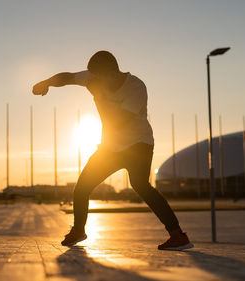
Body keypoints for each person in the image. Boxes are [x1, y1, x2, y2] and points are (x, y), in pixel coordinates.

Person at [32, 50, 193, 251]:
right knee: (82, 187)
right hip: (110, 147)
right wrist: (46, 82)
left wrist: (98, 95)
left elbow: (117, 122)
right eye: (93, 78)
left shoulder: (135, 87)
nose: (95, 82)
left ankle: (178, 236)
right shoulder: (93, 77)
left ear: (112, 73)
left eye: (100, 79)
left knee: (140, 185)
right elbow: (67, 77)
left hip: (138, 145)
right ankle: (79, 230)